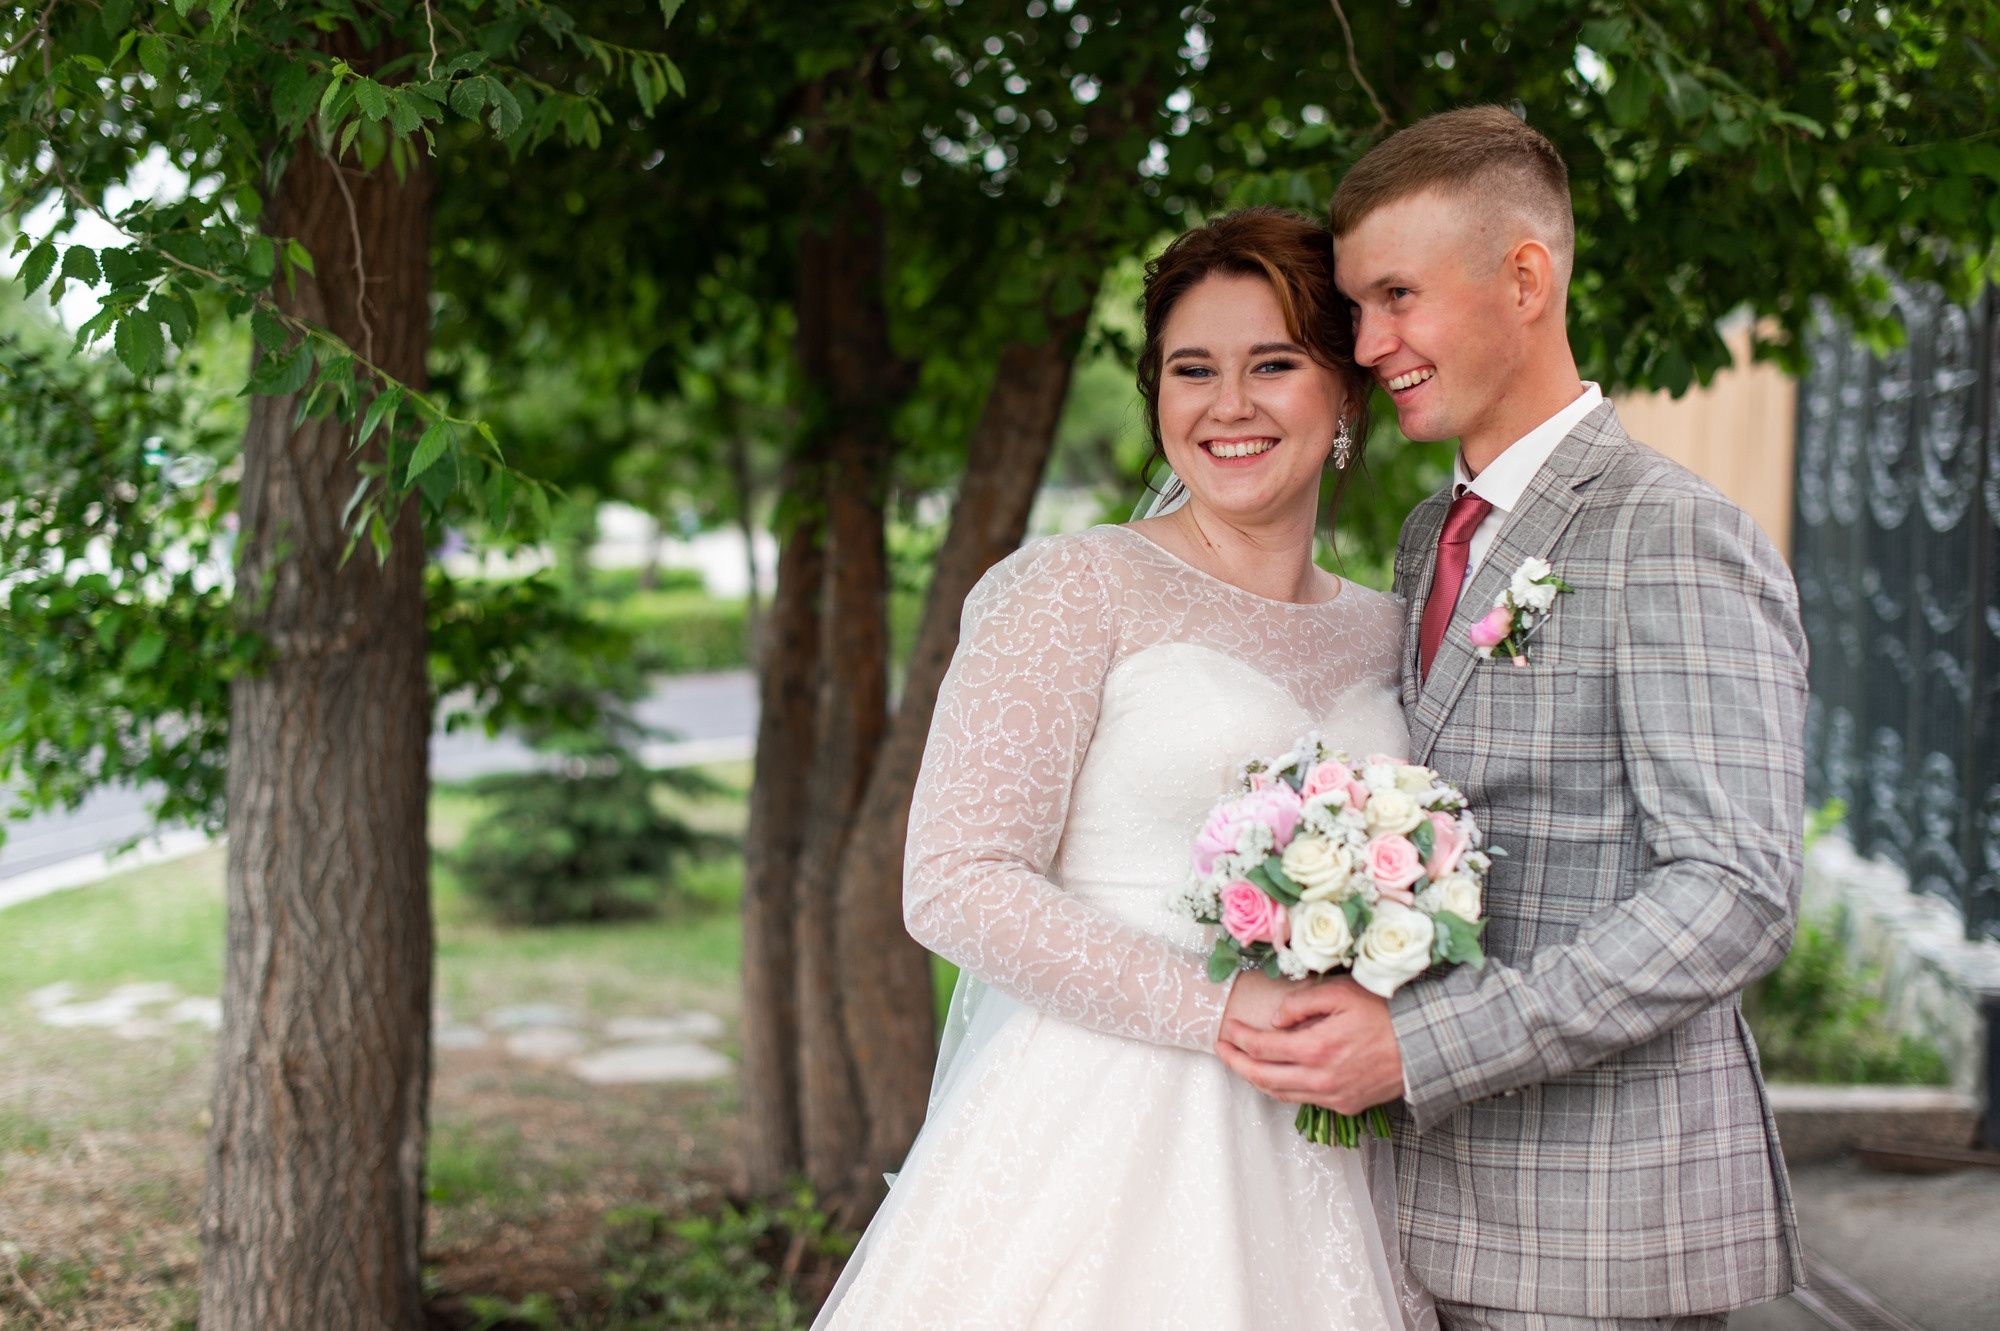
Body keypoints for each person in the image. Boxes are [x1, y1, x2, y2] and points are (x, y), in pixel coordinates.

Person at [1216, 107, 1809, 1331]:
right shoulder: (1431, 534)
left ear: (1523, 277)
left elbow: (1734, 889)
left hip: (1596, 1232)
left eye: (1395, 296)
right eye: (1355, 306)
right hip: (1409, 1213)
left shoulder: (1670, 532)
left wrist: (1422, 1045)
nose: (1367, 343)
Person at [812, 207, 1433, 1330]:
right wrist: (1215, 1003)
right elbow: (953, 878)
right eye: (1190, 368)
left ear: (1343, 394)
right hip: (1096, 1126)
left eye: (1273, 364)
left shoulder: (1389, 631)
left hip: (1324, 1135)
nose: (1226, 403)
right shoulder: (1071, 589)